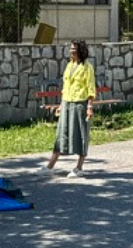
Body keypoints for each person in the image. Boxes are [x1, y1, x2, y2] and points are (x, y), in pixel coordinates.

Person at [37, 39, 96, 178]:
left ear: (80, 50)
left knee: (81, 135)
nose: (71, 51)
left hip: (80, 104)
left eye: (74, 49)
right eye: (70, 49)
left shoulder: (87, 67)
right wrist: (61, 105)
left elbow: (91, 89)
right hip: (67, 103)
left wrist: (89, 107)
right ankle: (50, 166)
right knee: (61, 134)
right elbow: (66, 87)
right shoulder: (69, 65)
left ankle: (79, 167)